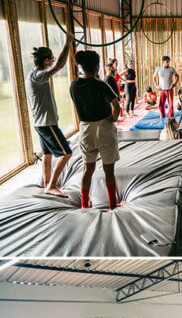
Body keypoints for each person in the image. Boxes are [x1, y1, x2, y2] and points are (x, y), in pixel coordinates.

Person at [69, 50, 121, 210]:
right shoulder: (101, 85)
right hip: (104, 128)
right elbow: (116, 105)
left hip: (85, 129)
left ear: (82, 67)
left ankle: (85, 203)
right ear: (97, 66)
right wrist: (113, 118)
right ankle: (113, 204)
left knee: (88, 168)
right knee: (109, 170)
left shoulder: (74, 85)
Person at [26, 32, 74, 197]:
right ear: (46, 61)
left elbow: (56, 65)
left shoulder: (32, 75)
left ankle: (46, 182)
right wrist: (67, 44)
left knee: (47, 155)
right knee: (67, 153)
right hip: (47, 124)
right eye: (51, 59)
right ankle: (51, 185)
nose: (53, 61)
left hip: (40, 124)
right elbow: (59, 66)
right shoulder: (38, 76)